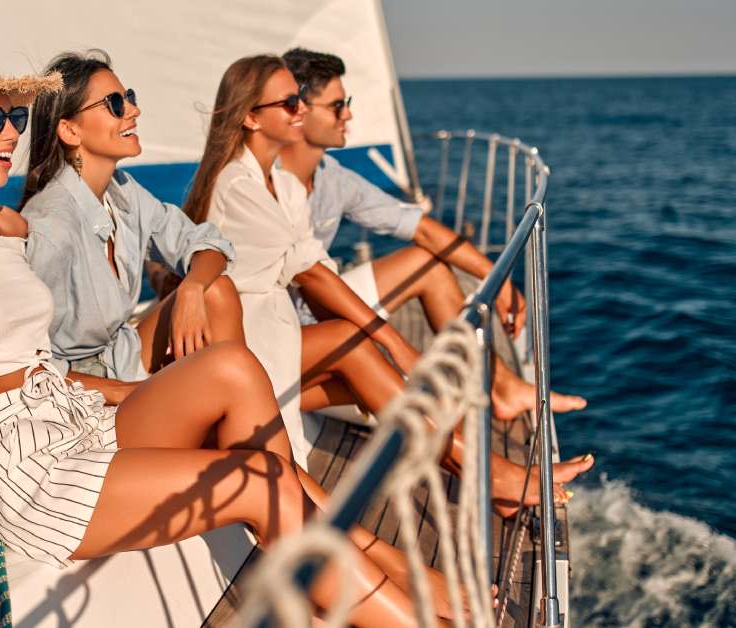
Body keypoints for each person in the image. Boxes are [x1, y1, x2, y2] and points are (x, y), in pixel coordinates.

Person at [0, 40, 465, 624]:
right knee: (257, 480)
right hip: (26, 469)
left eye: (15, 117)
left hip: (75, 414)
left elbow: (33, 358)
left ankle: (337, 571)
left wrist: (130, 381)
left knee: (234, 372)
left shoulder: (7, 224)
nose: (12, 132)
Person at [183, 55, 592, 517]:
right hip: (248, 346)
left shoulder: (289, 184)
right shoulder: (238, 186)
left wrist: (488, 285)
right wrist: (393, 341)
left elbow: (329, 261)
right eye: (295, 101)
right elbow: (310, 275)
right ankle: (492, 473)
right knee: (367, 353)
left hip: (283, 338)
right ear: (251, 116)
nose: (306, 111)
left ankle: (491, 465)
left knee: (409, 387)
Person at [278, 47, 587, 421]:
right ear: (297, 110)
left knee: (428, 264)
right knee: (430, 404)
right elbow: (309, 277)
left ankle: (499, 384)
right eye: (337, 106)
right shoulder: (263, 181)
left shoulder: (332, 178)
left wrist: (498, 281)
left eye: (349, 103)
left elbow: (422, 229)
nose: (349, 115)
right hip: (282, 337)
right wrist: (394, 343)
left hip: (312, 314)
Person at [20, 51, 241, 392]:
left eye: (129, 98)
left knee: (216, 290)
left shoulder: (122, 192)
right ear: (69, 130)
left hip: (121, 359)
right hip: (76, 390)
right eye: (114, 103)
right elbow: (20, 361)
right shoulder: (50, 224)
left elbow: (205, 242)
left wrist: (193, 288)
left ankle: (237, 427)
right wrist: (129, 394)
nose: (134, 111)